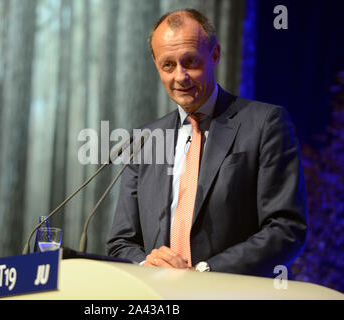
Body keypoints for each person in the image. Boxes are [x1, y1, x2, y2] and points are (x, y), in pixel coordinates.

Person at [106, 9, 307, 277]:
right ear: (156, 65)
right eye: (168, 65)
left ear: (214, 55)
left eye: (190, 62)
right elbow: (120, 243)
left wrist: (202, 272)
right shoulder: (145, 140)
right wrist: (147, 266)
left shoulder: (265, 123)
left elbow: (285, 228)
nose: (180, 76)